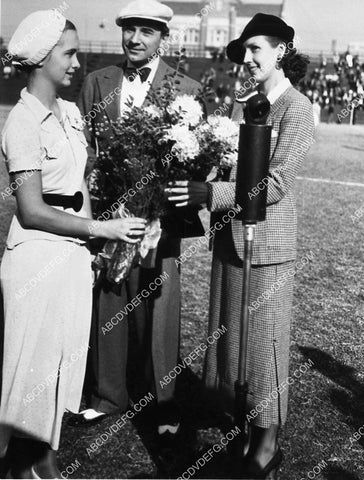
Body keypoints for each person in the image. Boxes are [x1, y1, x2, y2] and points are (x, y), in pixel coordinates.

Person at [167, 13, 315, 479]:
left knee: (264, 346)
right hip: (230, 239)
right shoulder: (243, 103)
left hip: (267, 246)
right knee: (233, 342)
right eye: (244, 51)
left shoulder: (297, 107)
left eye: (256, 49)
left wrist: (209, 194)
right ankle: (243, 427)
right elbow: (226, 163)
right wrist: (200, 172)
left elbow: (274, 184)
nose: (247, 59)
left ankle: (267, 447)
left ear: (280, 52)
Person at [0, 10, 146, 478]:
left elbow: (81, 189)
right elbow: (31, 210)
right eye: (69, 53)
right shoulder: (22, 121)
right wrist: (100, 232)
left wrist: (110, 221)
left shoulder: (72, 113)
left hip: (71, 259)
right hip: (35, 260)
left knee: (60, 369)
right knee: (31, 376)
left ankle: (42, 462)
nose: (78, 63)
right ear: (41, 60)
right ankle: (23, 467)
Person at [71, 0, 202, 443]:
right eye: (129, 29)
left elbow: (193, 161)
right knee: (110, 298)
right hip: (112, 216)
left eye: (147, 31)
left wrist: (160, 204)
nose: (135, 39)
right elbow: (82, 147)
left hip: (160, 221)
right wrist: (100, 189)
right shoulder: (96, 82)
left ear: (163, 37)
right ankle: (109, 395)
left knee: (159, 306)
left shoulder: (187, 87)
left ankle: (162, 400)